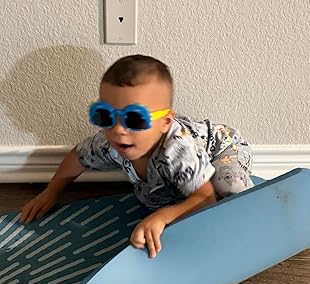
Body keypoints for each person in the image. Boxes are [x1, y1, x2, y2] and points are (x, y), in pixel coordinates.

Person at [20, 55, 254, 258]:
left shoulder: (177, 150)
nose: (118, 130)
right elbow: (78, 157)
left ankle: (254, 217)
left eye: (135, 119)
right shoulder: (109, 142)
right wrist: (51, 191)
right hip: (174, 170)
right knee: (151, 198)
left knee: (230, 190)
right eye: (105, 116)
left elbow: (205, 199)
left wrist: (164, 216)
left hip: (222, 148)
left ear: (166, 122)